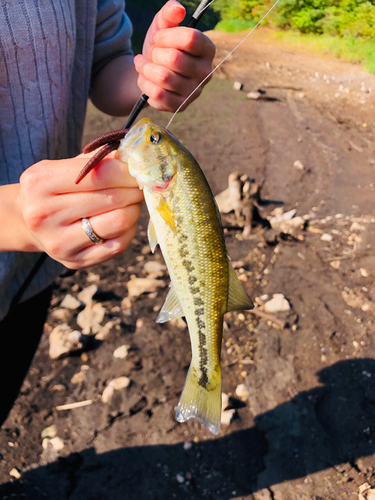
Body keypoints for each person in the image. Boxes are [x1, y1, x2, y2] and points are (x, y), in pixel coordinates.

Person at [0, 0, 215, 426]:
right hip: (39, 241)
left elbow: (104, 60)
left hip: (36, 273)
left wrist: (146, 73)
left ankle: (206, 379)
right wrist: (11, 217)